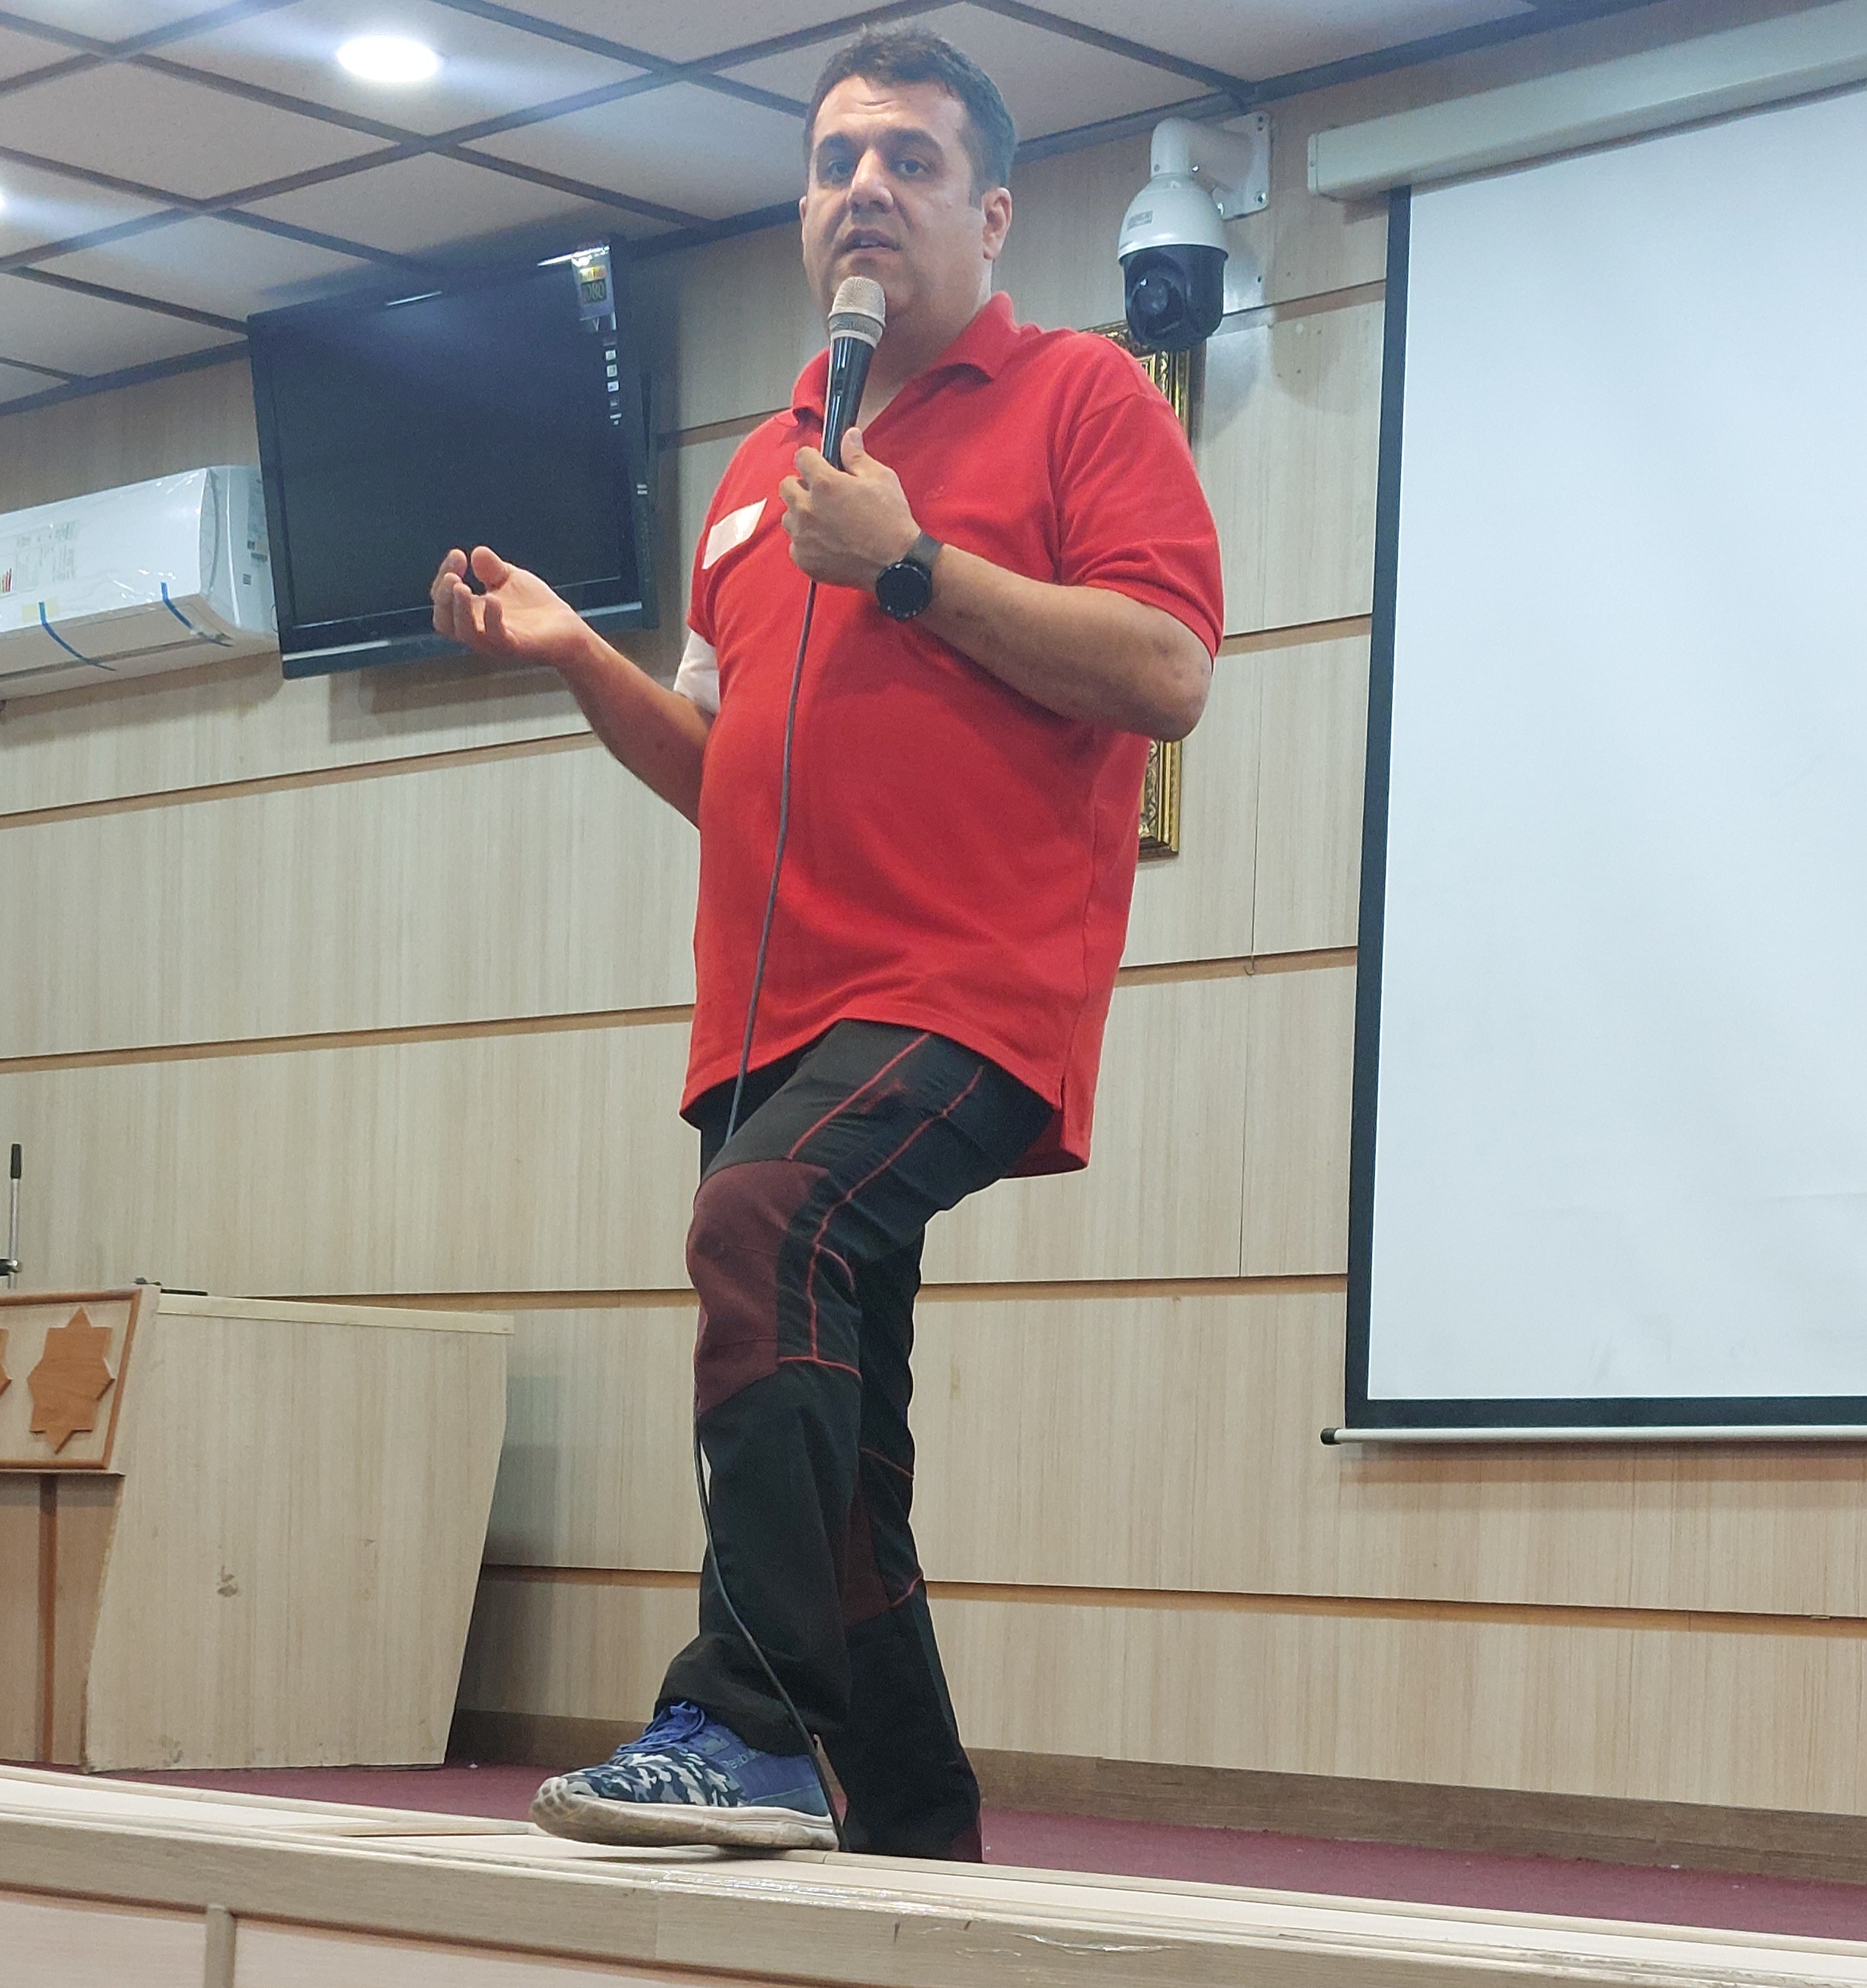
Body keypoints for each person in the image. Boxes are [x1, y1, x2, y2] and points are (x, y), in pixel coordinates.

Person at [431, 29, 1222, 1861]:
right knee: (843, 1470)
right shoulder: (759, 476)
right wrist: (577, 656)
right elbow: (723, 776)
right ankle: (919, 1840)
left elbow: (1169, 671)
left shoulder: (1086, 397)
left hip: (966, 991)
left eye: (911, 162)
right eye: (836, 161)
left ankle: (746, 1724)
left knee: (762, 1223)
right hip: (767, 1022)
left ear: (991, 214)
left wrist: (912, 564)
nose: (865, 189)